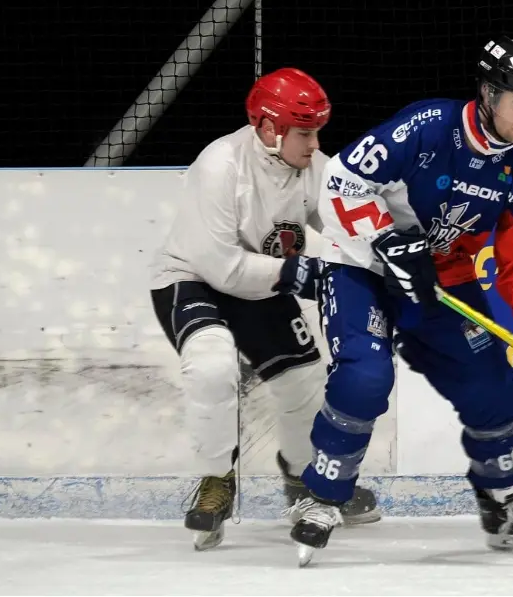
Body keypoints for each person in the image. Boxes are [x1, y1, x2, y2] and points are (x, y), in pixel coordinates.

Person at [287, 37, 513, 563]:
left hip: (442, 279)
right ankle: (322, 496)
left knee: (493, 390)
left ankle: (504, 505)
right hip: (361, 266)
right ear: (489, 95)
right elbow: (341, 182)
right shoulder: (427, 126)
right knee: (365, 377)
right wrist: (384, 238)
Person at [149, 67, 380, 551]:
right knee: (212, 367)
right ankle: (217, 479)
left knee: (305, 382)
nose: (315, 144)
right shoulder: (221, 165)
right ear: (270, 128)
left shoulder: (311, 165)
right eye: (305, 132)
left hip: (259, 285)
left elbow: (349, 222)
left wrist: (391, 258)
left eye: (318, 131)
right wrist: (301, 274)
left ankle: (301, 480)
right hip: (192, 280)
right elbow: (221, 267)